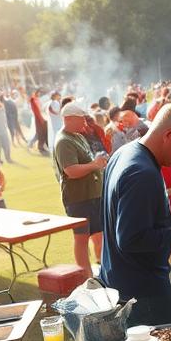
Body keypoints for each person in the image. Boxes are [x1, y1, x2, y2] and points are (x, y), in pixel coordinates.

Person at [99, 103, 171, 326]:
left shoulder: (124, 153)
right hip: (142, 293)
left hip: (124, 283)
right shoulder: (141, 172)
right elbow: (130, 238)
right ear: (169, 135)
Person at [53, 101, 108, 271]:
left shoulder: (77, 136)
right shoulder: (63, 141)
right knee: (82, 238)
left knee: (99, 235)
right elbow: (71, 171)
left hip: (92, 195)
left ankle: (102, 268)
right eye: (81, 119)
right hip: (78, 198)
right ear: (68, 119)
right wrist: (95, 165)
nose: (85, 122)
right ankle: (85, 276)